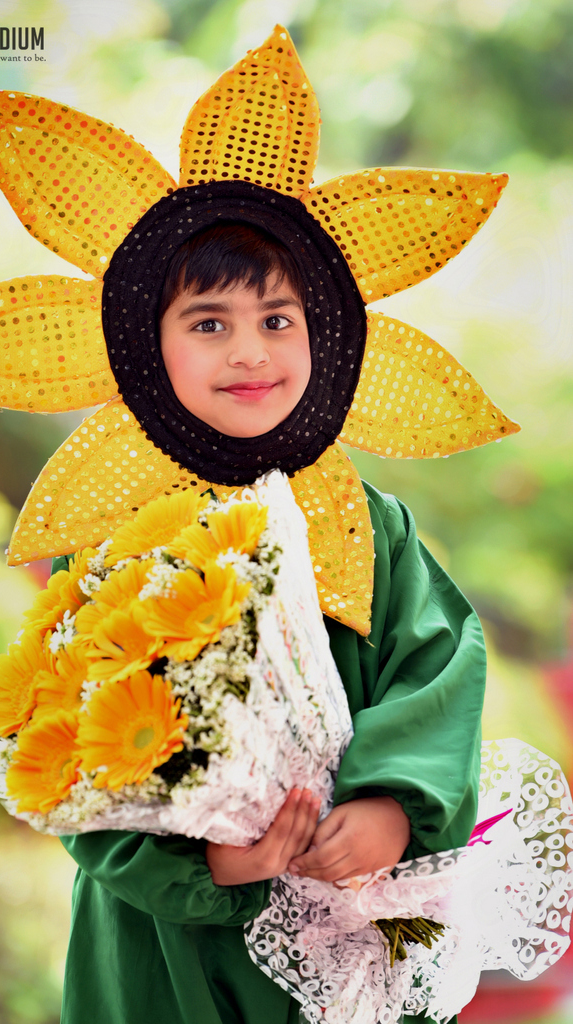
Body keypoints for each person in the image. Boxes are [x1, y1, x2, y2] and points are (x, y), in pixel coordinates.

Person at [54, 223, 485, 1024]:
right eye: (209, 323)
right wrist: (204, 863)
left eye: (278, 321)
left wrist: (392, 806)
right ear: (145, 345)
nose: (249, 352)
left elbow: (433, 668)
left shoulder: (365, 524)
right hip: (167, 936)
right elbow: (66, 745)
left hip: (353, 906)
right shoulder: (114, 537)